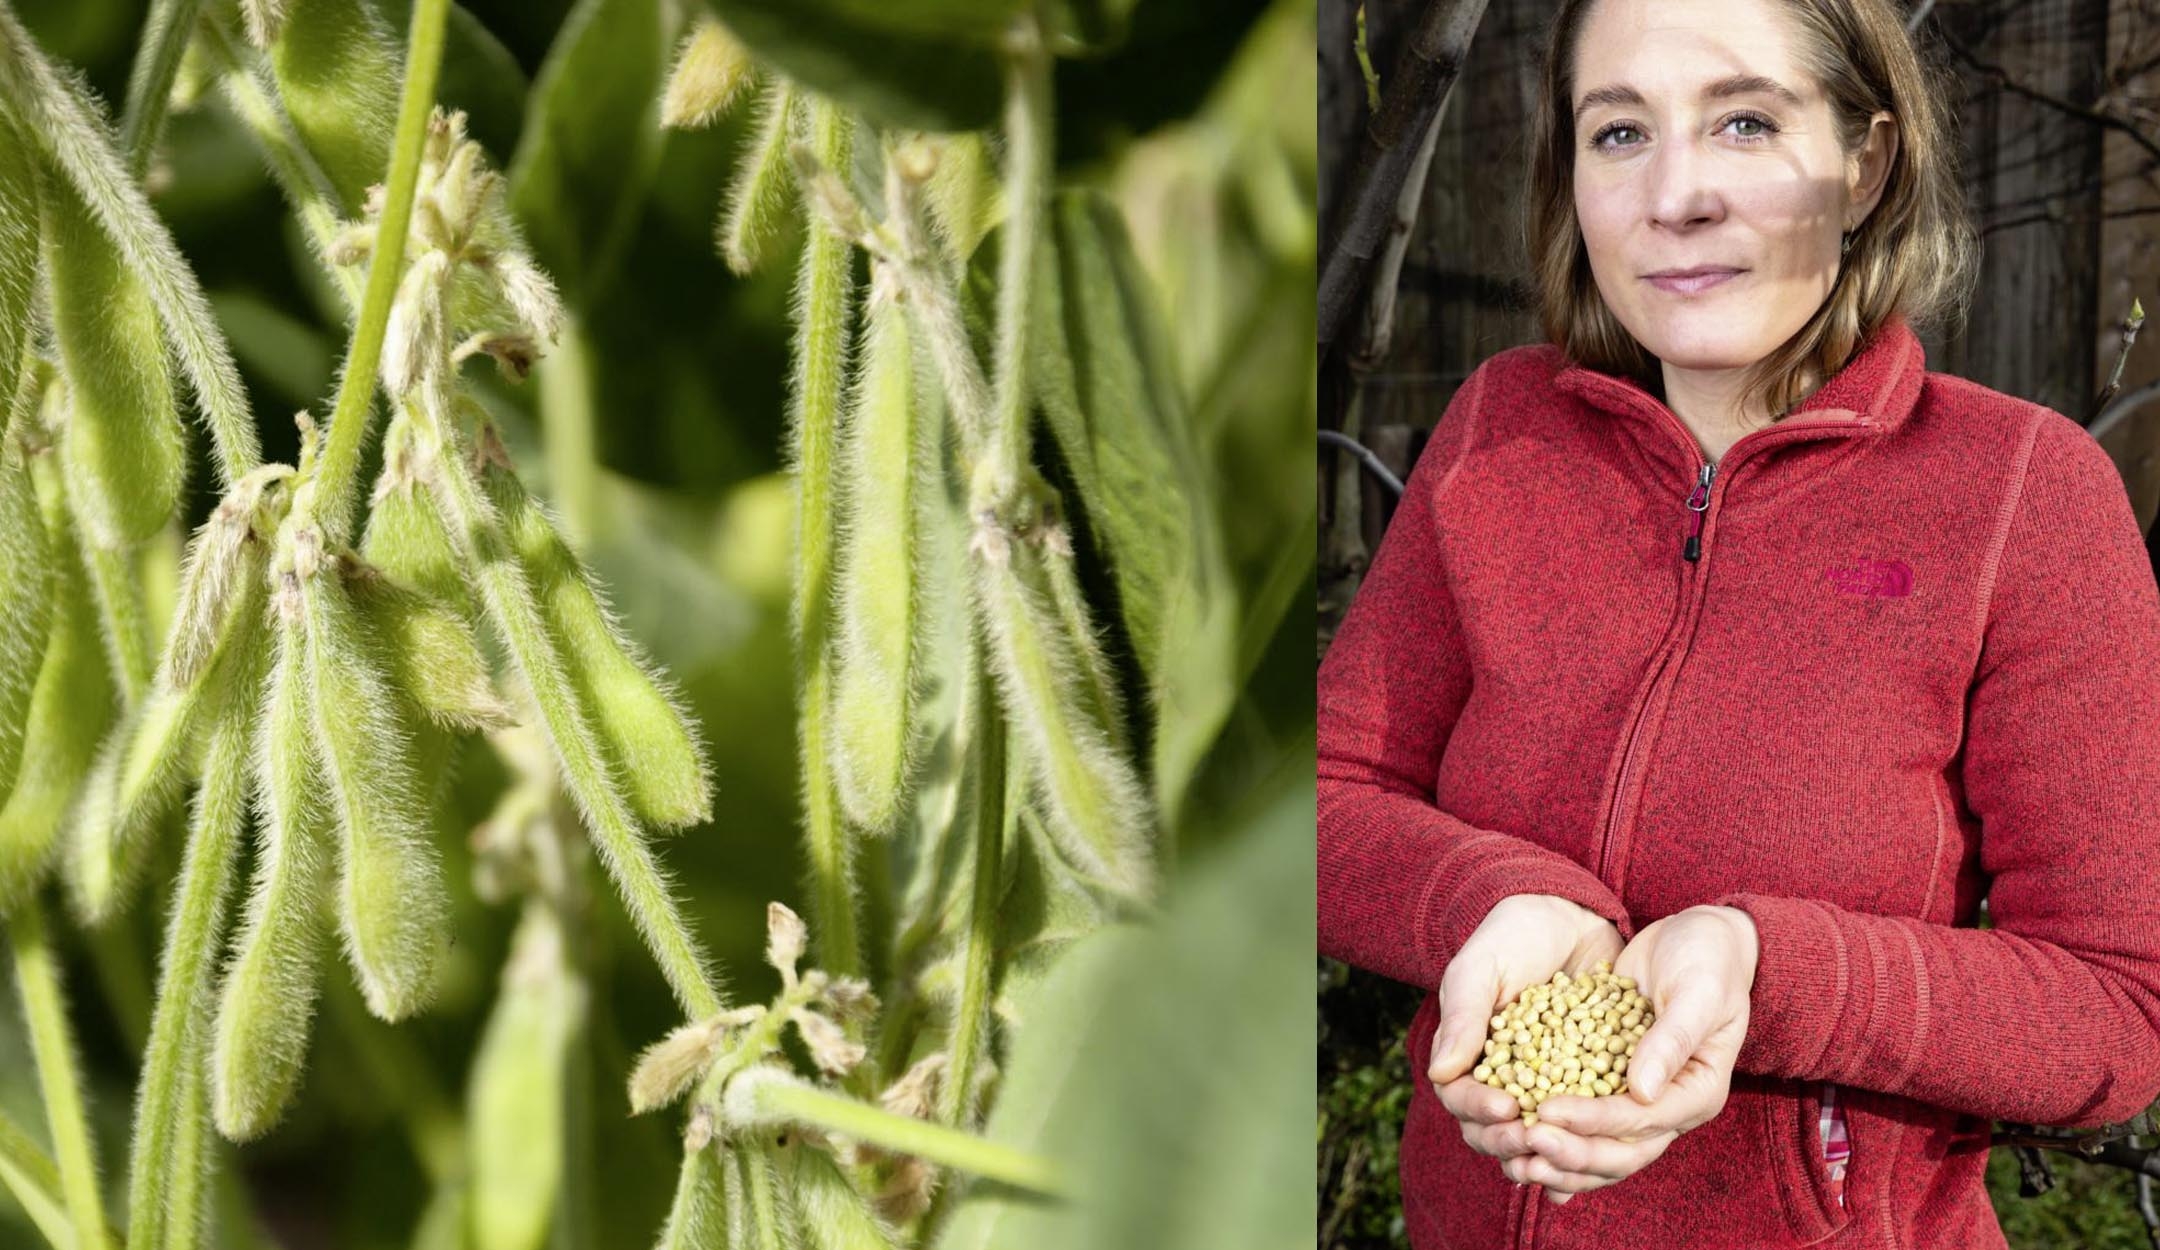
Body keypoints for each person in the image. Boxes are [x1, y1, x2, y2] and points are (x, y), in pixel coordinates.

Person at [1316, 1, 2160, 1247]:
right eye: (1618, 133)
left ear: (1866, 163)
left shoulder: (2021, 497)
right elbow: (1327, 794)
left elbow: (2117, 1008)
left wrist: (1765, 971)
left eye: (1747, 122)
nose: (1676, 195)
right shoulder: (1501, 432)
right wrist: (1486, 900)